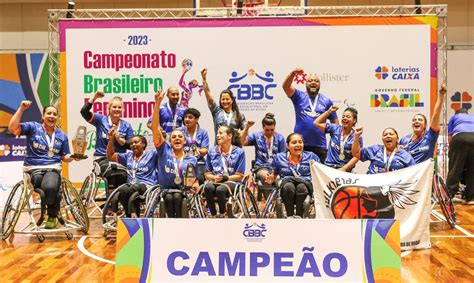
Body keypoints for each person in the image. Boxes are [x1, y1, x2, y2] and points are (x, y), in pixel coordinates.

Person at [9, 101, 79, 228]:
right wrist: (21, 109)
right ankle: (53, 213)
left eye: (54, 114)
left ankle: (50, 215)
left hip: (53, 168)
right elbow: (12, 128)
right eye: (49, 113)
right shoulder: (33, 127)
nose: (52, 116)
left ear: (57, 118)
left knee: (51, 187)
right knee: (53, 190)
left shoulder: (62, 135)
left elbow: (64, 157)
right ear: (43, 116)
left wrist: (73, 157)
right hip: (34, 169)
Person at [152, 91, 199, 218]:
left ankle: (178, 226)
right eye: (174, 137)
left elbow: (194, 180)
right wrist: (157, 104)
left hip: (183, 192)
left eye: (180, 137)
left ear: (185, 141)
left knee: (178, 197)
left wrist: (195, 185)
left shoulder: (191, 159)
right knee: (169, 197)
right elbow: (155, 127)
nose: (177, 139)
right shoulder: (164, 150)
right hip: (165, 191)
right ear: (170, 141)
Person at [282, 68, 339, 162]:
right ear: (305, 84)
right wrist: (293, 73)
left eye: (316, 81)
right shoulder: (299, 96)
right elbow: (286, 87)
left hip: (320, 145)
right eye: (310, 81)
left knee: (320, 174)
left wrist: (335, 139)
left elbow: (335, 122)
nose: (313, 82)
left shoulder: (326, 101)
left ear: (319, 84)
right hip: (300, 145)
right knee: (299, 173)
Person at [80, 91, 133, 191]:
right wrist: (95, 97)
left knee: (125, 176)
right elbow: (84, 112)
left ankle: (119, 200)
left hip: (119, 159)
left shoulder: (127, 125)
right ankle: (112, 201)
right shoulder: (101, 120)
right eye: (114, 107)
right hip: (102, 158)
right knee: (113, 173)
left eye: (119, 107)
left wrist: (118, 139)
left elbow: (131, 145)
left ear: (123, 110)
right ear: (109, 109)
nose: (117, 109)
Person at [265, 133, 320, 218]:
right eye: (294, 142)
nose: (298, 145)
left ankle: (299, 215)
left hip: (305, 184)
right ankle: (290, 215)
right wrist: (270, 178)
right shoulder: (279, 157)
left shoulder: (311, 156)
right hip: (286, 185)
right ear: (287, 146)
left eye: (300, 142)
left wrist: (315, 166)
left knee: (301, 187)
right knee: (289, 186)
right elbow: (273, 175)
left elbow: (320, 173)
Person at [106, 133, 157, 218]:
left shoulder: (152, 154)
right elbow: (110, 156)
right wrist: (111, 139)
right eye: (131, 143)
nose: (133, 145)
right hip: (131, 187)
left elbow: (163, 149)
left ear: (143, 144)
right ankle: (130, 217)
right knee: (123, 190)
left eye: (136, 142)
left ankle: (132, 216)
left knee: (131, 189)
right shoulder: (128, 156)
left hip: (147, 186)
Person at [204, 125, 246, 218]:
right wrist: (215, 177)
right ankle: (214, 214)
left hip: (232, 181)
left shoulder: (239, 152)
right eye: (217, 133)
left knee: (220, 190)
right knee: (207, 188)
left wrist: (225, 178)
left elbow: (239, 176)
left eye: (221, 133)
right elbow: (207, 174)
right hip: (215, 181)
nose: (217, 136)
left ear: (230, 136)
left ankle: (222, 214)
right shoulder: (211, 152)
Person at [399, 83, 447, 163]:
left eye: (420, 120)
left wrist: (441, 95)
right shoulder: (404, 140)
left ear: (425, 125)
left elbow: (436, 114)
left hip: (424, 173)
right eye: (414, 120)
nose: (416, 121)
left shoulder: (430, 136)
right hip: (408, 173)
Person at [201, 68, 247, 145]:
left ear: (232, 100)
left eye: (227, 99)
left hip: (234, 150)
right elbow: (208, 95)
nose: (225, 101)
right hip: (218, 149)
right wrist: (204, 79)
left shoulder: (240, 116)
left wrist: (240, 131)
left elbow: (244, 135)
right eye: (223, 99)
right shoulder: (216, 111)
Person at [241, 113, 285, 189]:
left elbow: (282, 157)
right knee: (267, 178)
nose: (269, 132)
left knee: (280, 179)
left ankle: (276, 199)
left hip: (276, 168)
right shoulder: (256, 136)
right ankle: (270, 200)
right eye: (267, 130)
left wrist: (275, 171)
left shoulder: (280, 138)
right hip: (261, 167)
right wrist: (247, 127)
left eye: (272, 130)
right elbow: (243, 142)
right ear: (262, 128)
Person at [314, 106, 361, 171]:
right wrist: (329, 112)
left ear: (354, 120)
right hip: (328, 167)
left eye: (348, 117)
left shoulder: (357, 135)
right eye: (343, 116)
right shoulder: (335, 128)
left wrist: (344, 168)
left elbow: (356, 157)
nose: (344, 118)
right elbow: (316, 123)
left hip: (344, 170)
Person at [446, 108, 474, 204]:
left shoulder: (454, 117)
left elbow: (450, 136)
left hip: (460, 137)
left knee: (455, 167)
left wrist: (452, 152)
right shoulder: (472, 117)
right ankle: (470, 197)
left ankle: (450, 195)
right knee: (472, 169)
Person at [178, 108, 209, 183]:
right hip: (182, 162)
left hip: (198, 163)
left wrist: (197, 150)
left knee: (200, 179)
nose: (187, 119)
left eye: (190, 117)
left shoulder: (203, 133)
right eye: (185, 117)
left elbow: (205, 150)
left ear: (196, 119)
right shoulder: (179, 131)